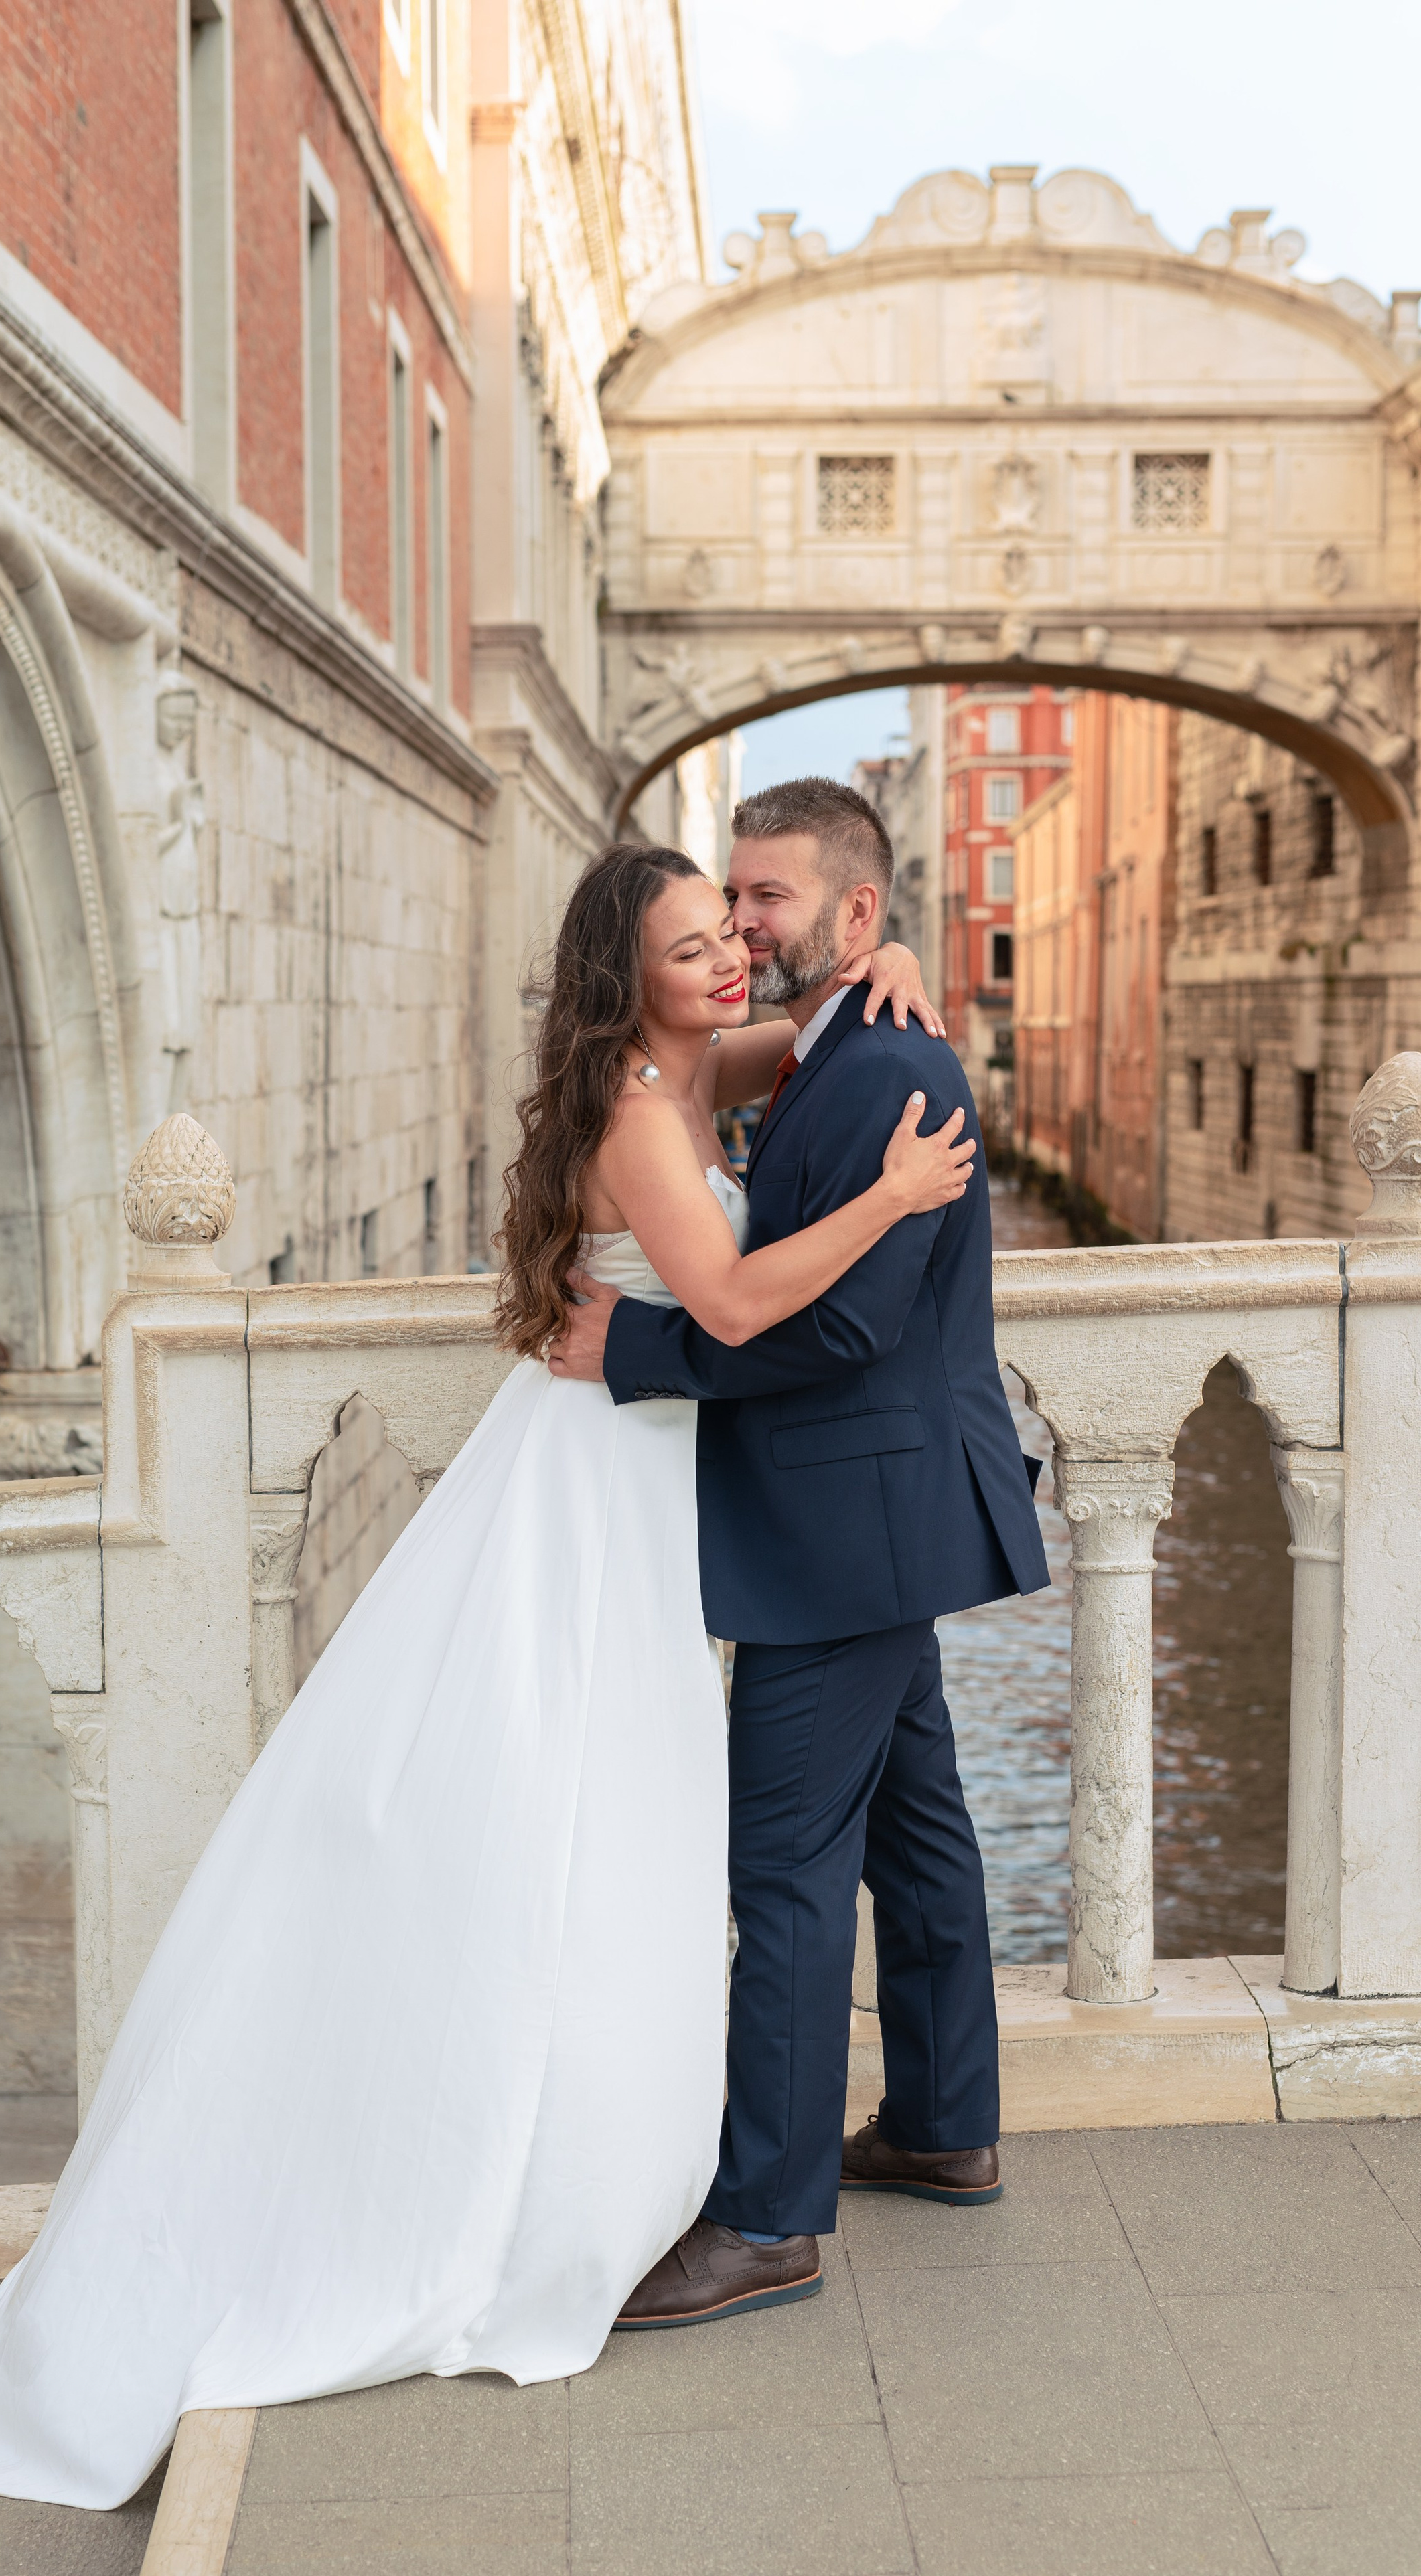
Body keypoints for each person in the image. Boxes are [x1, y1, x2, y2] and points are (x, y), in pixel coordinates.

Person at [0, 841, 971, 2510]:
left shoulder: (667, 1064)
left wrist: (885, 980)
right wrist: (885, 1198)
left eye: (729, 931)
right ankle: (547, 2164)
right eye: (690, 942)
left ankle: (671, 2138)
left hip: (624, 1478)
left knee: (629, 1811)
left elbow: (788, 1034)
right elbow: (725, 1302)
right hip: (599, 1494)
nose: (728, 954)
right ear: (631, 976)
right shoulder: (643, 1121)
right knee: (575, 1806)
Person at [549, 778, 1049, 2333]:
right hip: (873, 1514)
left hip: (841, 1522)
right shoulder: (835, 1041)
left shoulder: (883, 1068)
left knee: (779, 1874)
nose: (743, 927)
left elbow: (835, 1322)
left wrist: (631, 1344)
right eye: (725, 905)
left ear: (851, 912)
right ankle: (943, 2121)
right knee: (916, 1834)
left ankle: (764, 2215)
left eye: (763, 901)